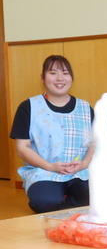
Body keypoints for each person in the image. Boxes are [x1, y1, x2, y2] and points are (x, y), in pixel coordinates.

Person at [9, 55, 94, 213]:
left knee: (97, 197)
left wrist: (83, 164)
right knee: (45, 202)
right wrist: (50, 166)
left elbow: (94, 144)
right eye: (53, 73)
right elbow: (22, 148)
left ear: (71, 78)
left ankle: (66, 204)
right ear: (43, 77)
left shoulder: (85, 107)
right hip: (44, 171)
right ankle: (60, 202)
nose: (60, 78)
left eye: (65, 73)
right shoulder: (28, 107)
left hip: (79, 172)